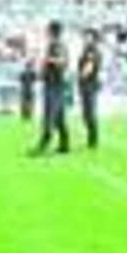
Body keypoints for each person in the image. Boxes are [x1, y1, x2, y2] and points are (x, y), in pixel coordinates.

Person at [32, 20, 70, 155]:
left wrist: (47, 60)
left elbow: (62, 62)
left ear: (51, 31)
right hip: (53, 83)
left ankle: (44, 144)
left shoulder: (57, 45)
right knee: (59, 116)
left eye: (47, 30)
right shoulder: (54, 45)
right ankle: (65, 145)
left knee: (49, 114)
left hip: (55, 84)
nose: (45, 32)